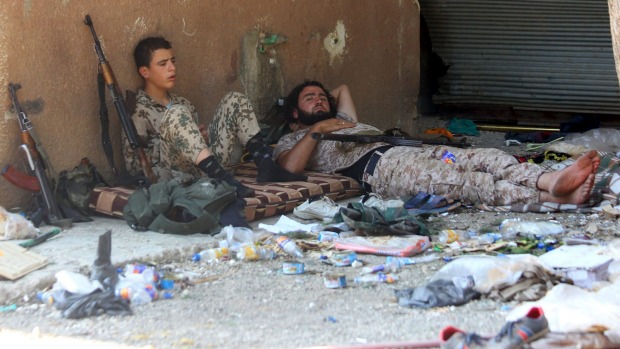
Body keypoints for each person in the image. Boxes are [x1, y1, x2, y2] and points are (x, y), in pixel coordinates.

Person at [273, 80, 600, 206]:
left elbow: (344, 87)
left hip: (409, 147)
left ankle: (548, 180)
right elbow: (290, 168)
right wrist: (314, 129)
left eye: (321, 97)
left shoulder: (342, 119)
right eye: (309, 98)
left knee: (483, 157)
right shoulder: (292, 138)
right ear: (293, 114)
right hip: (381, 167)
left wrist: (327, 111)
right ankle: (550, 195)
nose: (319, 101)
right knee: (458, 182)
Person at [122, 36, 306, 198]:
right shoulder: (137, 110)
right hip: (172, 176)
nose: (172, 68)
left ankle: (266, 165)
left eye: (173, 61)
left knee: (235, 99)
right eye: (163, 64)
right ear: (144, 72)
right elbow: (134, 167)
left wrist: (201, 138)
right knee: (176, 112)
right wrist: (177, 143)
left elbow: (198, 146)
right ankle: (223, 180)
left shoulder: (183, 102)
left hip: (205, 170)